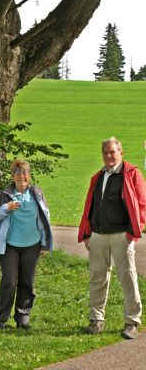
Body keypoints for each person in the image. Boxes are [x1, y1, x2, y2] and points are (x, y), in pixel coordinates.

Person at [78, 137, 146, 339]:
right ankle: (96, 320)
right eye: (106, 152)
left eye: (112, 152)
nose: (109, 155)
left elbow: (142, 204)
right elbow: (90, 206)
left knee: (127, 277)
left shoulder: (132, 174)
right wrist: (88, 233)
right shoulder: (98, 177)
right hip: (98, 235)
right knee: (97, 278)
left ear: (120, 153)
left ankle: (132, 321)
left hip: (121, 235)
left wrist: (134, 231)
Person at [0, 159, 52, 330]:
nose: (21, 176)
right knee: (9, 281)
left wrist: (45, 243)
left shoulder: (37, 193)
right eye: (18, 173)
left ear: (29, 175)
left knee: (27, 282)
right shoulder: (5, 194)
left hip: (32, 245)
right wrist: (6, 208)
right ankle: (1, 319)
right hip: (10, 245)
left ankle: (22, 317)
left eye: (24, 172)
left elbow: (45, 218)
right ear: (13, 176)